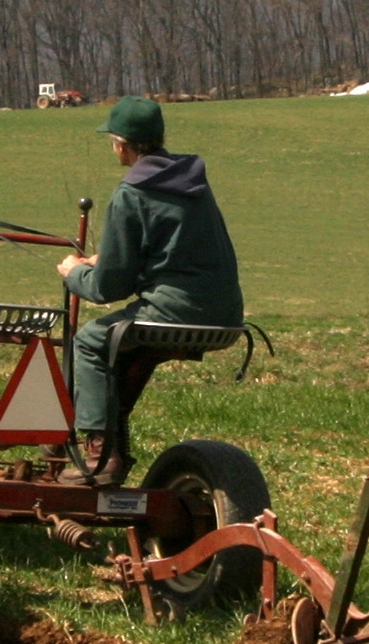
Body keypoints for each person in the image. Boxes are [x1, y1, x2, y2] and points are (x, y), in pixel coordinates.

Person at [54, 94, 243, 484]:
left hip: (178, 312)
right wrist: (103, 256)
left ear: (122, 145)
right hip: (226, 313)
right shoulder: (192, 183)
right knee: (116, 345)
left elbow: (109, 287)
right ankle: (104, 437)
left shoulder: (132, 193)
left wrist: (74, 272)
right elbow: (172, 247)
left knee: (90, 341)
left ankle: (100, 454)